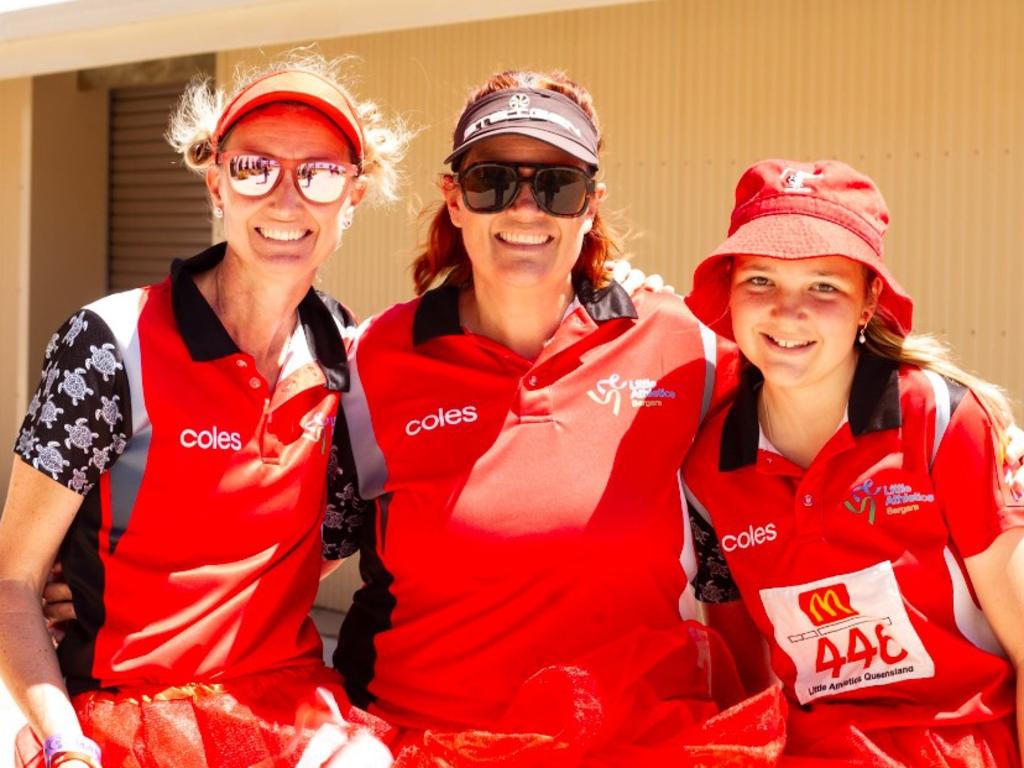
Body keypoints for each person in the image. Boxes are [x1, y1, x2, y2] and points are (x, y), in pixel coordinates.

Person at [321, 70, 790, 765]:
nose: (525, 209)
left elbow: (816, 433)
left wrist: (965, 424)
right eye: (491, 181)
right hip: (426, 742)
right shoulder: (371, 362)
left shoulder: (686, 347)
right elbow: (277, 561)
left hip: (640, 747)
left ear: (590, 205)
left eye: (556, 185)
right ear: (454, 200)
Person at [0, 54, 408, 768]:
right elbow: (13, 581)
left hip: (290, 710)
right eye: (255, 169)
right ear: (216, 183)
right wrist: (64, 744)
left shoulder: (350, 356)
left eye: (318, 173)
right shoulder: (109, 343)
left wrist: (602, 294)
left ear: (354, 196)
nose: (286, 201)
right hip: (125, 712)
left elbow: (336, 536)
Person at [682, 159, 1024, 766]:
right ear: (728, 292)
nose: (787, 313)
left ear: (869, 302)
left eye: (824, 286)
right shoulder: (707, 463)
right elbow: (745, 683)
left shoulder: (942, 420)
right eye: (760, 280)